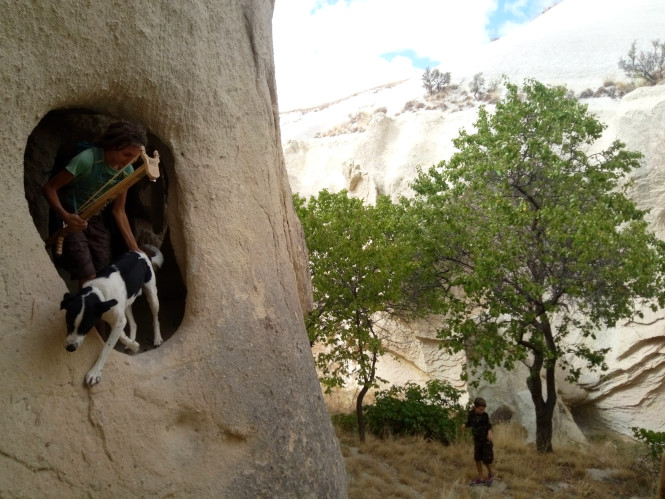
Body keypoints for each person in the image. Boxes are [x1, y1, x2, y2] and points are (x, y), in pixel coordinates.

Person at [42, 120, 147, 288]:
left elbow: (119, 210)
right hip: (71, 214)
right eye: (127, 154)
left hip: (95, 217)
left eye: (134, 157)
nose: (130, 160)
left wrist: (133, 246)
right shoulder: (87, 160)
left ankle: (93, 308)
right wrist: (65, 215)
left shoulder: (126, 171)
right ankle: (87, 312)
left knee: (103, 270)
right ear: (113, 145)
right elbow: (50, 188)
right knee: (88, 273)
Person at [461, 397, 495, 486]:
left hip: (486, 441)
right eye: (480, 409)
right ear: (475, 407)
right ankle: (480, 477)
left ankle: (491, 474)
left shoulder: (485, 415)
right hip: (477, 441)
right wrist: (464, 424)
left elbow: (489, 425)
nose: (482, 411)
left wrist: (490, 431)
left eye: (483, 409)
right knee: (477, 459)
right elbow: (469, 422)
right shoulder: (471, 414)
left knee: (486, 460)